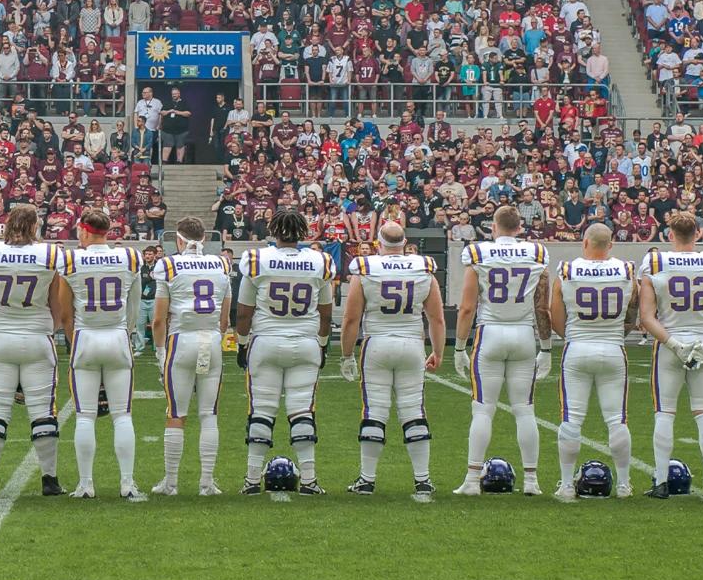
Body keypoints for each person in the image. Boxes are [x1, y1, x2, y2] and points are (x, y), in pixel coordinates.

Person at [0, 205, 66, 498]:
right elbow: (58, 303)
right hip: (37, 337)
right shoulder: (50, 255)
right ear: (34, 225)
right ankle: (50, 480)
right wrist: (48, 328)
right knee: (43, 411)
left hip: (0, 336)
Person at [452, 206, 551, 496]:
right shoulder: (536, 253)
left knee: (483, 410)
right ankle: (531, 481)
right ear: (519, 228)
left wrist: (459, 346)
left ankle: (472, 480)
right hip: (523, 334)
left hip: (490, 333)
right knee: (525, 410)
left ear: (493, 227)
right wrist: (546, 347)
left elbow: (467, 307)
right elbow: (542, 307)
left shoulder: (478, 253)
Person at [235, 208, 335, 495]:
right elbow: (326, 314)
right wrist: (323, 344)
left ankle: (251, 480)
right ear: (302, 231)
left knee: (262, 410)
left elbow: (243, 312)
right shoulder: (319, 261)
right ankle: (309, 481)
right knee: (302, 410)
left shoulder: (257, 260)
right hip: (305, 342)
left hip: (266, 341)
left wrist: (241, 343)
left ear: (273, 230)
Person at [341, 221, 445, 494]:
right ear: (405, 242)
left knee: (374, 411)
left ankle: (367, 479)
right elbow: (436, 318)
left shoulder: (366, 267)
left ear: (378, 242)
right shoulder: (423, 267)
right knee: (413, 410)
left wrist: (346, 355)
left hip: (377, 344)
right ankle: (423, 479)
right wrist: (438, 351)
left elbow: (351, 318)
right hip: (411, 344)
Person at [637, 215, 703, 499]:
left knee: (665, 413)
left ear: (670, 234)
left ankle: (661, 482)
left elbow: (646, 316)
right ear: (698, 233)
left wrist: (674, 344)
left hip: (670, 343)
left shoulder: (656, 263)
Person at [56, 208, 145, 499]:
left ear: (84, 230)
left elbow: (65, 314)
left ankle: (86, 484)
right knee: (122, 415)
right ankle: (127, 483)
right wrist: (126, 332)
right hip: (117, 336)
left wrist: (75, 340)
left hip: (86, 337)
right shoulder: (129, 257)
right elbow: (134, 307)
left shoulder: (71, 260)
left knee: (85, 416)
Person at [550, 222, 638, 501]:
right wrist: (616, 335)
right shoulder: (626, 271)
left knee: (572, 418)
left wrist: (572, 336)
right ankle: (623, 485)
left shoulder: (567, 270)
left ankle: (566, 485)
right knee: (616, 419)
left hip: (577, 347)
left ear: (584, 242)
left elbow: (555, 316)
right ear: (610, 245)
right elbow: (632, 312)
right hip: (613, 348)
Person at [151, 216, 231, 495]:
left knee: (176, 413)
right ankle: (206, 483)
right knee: (209, 414)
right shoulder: (221, 264)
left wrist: (160, 351)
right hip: (212, 338)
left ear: (179, 239)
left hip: (181, 341)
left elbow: (158, 319)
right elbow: (225, 318)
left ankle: (171, 483)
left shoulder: (168, 265)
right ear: (204, 238)